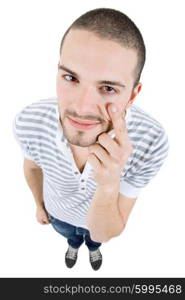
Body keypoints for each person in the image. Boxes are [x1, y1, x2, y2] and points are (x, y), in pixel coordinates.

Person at [13, 8, 169, 271]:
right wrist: (39, 206)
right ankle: (73, 246)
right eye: (71, 78)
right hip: (58, 215)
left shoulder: (152, 141)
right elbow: (31, 167)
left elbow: (107, 231)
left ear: (132, 96)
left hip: (100, 224)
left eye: (107, 88)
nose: (82, 107)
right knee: (71, 236)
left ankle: (91, 251)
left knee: (95, 241)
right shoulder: (29, 121)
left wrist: (109, 184)